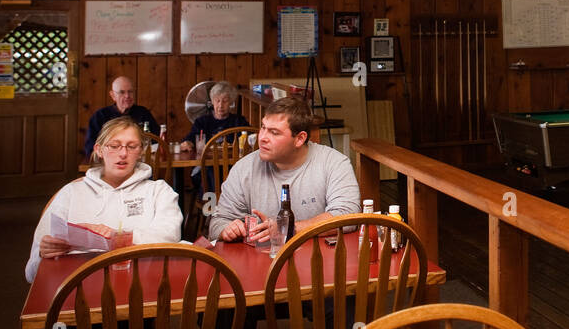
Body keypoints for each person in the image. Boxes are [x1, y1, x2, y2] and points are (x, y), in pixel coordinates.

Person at [26, 117, 181, 283]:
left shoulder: (158, 190)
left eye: (132, 146)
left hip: (144, 283)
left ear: (141, 151)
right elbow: (32, 273)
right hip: (79, 287)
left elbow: (170, 235)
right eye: (114, 146)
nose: (123, 153)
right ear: (99, 150)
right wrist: (44, 252)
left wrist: (117, 238)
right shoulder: (70, 193)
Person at [208, 95, 359, 244]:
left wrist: (289, 229)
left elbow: (347, 216)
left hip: (317, 261)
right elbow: (217, 224)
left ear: (300, 139)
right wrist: (227, 229)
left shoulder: (334, 163)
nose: (262, 138)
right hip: (263, 262)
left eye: (274, 132)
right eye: (263, 127)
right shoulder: (244, 168)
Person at [83, 76, 159, 159]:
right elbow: (90, 148)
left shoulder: (143, 113)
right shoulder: (100, 116)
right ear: (113, 95)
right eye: (122, 92)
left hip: (140, 162)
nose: (127, 96)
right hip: (109, 165)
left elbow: (157, 141)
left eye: (130, 92)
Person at [180, 82, 250, 154]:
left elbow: (250, 137)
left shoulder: (239, 121)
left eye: (225, 101)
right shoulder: (201, 122)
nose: (220, 105)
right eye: (217, 101)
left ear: (231, 102)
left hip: (233, 162)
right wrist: (187, 143)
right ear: (212, 102)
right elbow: (191, 138)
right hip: (206, 162)